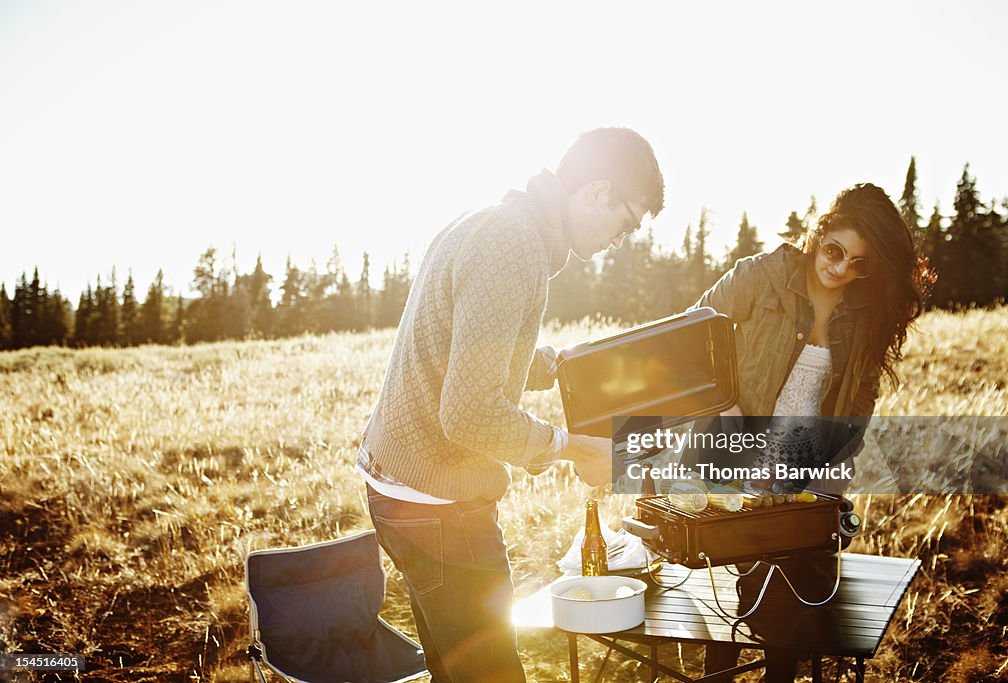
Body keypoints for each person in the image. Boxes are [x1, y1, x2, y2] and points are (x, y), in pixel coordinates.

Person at [358, 128, 665, 682]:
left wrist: (558, 364)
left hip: (401, 489)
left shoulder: (495, 222)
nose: (620, 242)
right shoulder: (513, 245)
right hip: (437, 506)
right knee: (491, 674)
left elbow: (474, 352)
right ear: (597, 191)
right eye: (626, 224)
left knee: (455, 670)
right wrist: (574, 449)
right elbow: (470, 412)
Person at [689, 183, 934, 681]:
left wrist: (825, 479)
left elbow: (859, 406)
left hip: (807, 470)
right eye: (835, 251)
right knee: (739, 597)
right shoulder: (761, 276)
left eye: (860, 263)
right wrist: (727, 406)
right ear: (819, 233)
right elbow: (692, 337)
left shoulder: (867, 312)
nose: (842, 269)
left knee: (792, 599)